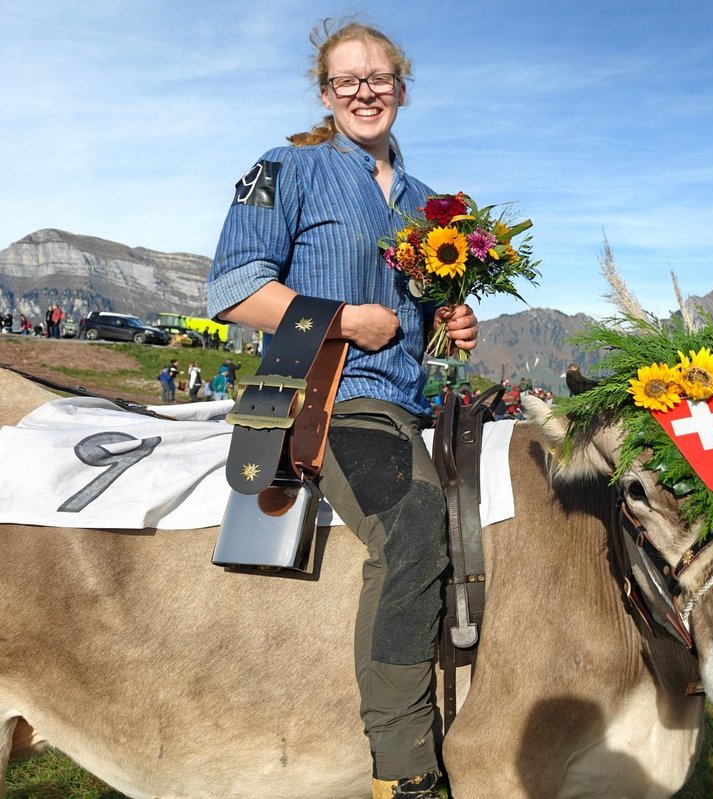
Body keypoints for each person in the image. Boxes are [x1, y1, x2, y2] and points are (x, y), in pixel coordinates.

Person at [206, 19, 478, 799]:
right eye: (346, 80)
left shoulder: (432, 205)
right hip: (330, 392)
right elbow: (234, 289)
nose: (364, 92)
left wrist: (453, 325)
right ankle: (404, 766)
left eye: (378, 78)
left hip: (416, 397)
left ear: (402, 88)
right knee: (414, 520)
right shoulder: (281, 169)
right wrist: (344, 319)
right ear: (326, 93)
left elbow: (424, 323)